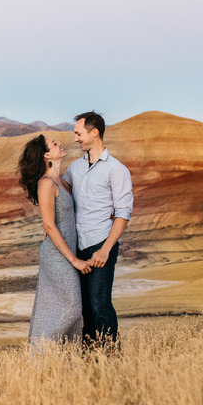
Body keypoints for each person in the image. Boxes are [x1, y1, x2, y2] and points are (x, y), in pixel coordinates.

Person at [62, 111, 133, 345]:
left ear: (94, 133)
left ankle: (110, 358)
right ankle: (91, 360)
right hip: (78, 247)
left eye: (78, 133)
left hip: (101, 244)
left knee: (99, 303)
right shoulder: (74, 169)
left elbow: (123, 213)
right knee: (85, 309)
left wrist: (105, 250)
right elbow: (61, 197)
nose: (75, 139)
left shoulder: (116, 169)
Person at [18, 134, 89, 345]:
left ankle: (66, 363)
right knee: (70, 308)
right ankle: (43, 357)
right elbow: (49, 225)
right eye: (54, 144)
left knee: (68, 309)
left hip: (67, 253)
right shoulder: (46, 183)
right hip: (57, 256)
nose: (60, 144)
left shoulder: (63, 182)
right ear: (46, 154)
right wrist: (75, 260)